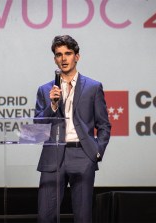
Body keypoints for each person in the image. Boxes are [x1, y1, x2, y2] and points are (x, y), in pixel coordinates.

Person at [35, 35, 111, 223]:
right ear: (55, 59)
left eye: (68, 53)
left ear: (77, 56)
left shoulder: (93, 87)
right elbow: (37, 127)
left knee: (83, 216)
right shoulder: (45, 90)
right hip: (53, 155)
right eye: (59, 54)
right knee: (45, 216)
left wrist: (96, 152)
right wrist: (52, 105)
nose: (63, 58)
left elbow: (104, 125)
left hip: (82, 154)